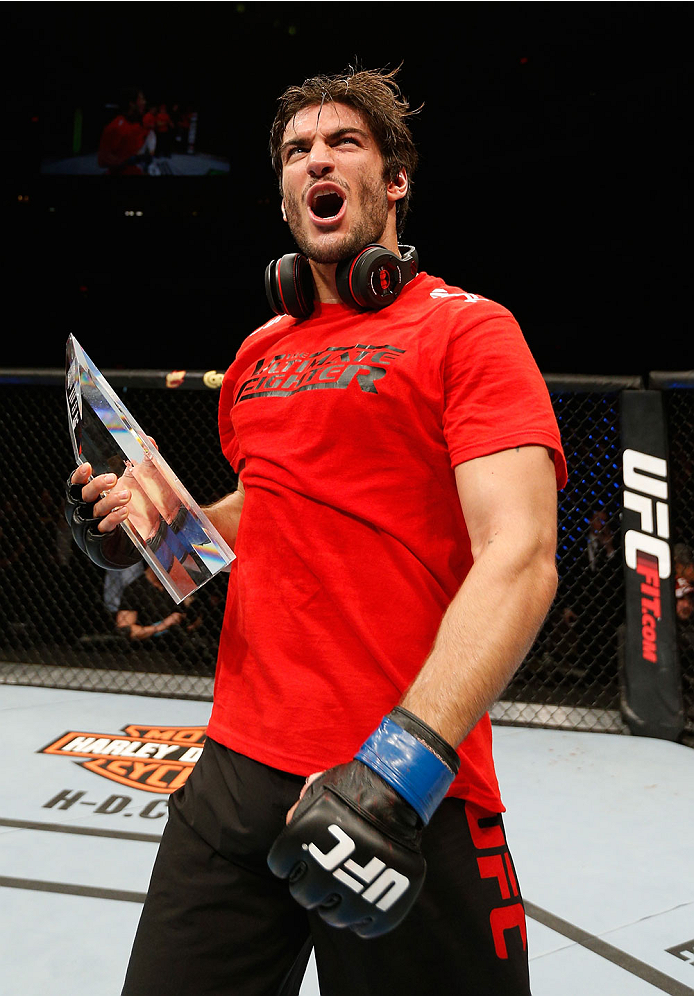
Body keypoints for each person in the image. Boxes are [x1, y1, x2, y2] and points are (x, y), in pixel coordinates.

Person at [66, 66, 567, 996]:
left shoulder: (470, 332)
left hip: (404, 776)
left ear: (396, 178)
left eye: (344, 143)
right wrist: (149, 526)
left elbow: (522, 554)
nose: (315, 161)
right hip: (237, 768)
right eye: (297, 151)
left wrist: (401, 766)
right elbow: (269, 508)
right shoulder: (260, 351)